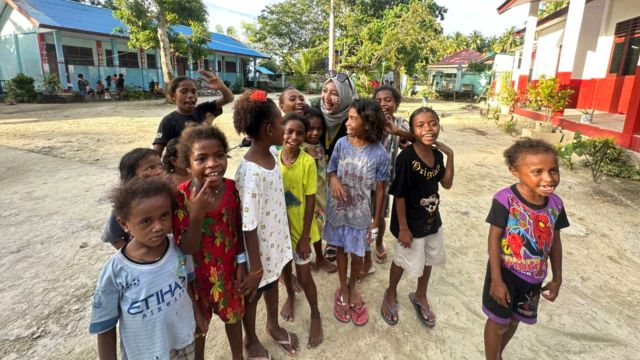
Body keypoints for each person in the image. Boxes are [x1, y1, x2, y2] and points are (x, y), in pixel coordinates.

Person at [89, 177, 197, 359]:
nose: (158, 227)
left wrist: (197, 312)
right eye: (146, 221)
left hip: (184, 341)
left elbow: (185, 284)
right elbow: (105, 326)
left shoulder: (177, 249)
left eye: (164, 215)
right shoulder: (116, 270)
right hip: (146, 352)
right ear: (125, 224)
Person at [483, 138, 568, 360]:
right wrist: (496, 280)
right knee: (498, 321)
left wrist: (557, 277)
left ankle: (499, 353)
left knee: (514, 320)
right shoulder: (505, 199)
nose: (548, 178)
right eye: (537, 171)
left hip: (533, 278)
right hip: (505, 274)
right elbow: (493, 240)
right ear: (515, 171)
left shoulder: (556, 205)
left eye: (553, 170)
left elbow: (555, 241)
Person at [233, 90, 299, 358]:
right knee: (254, 295)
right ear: (269, 128)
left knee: (273, 286)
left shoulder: (271, 152)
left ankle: (273, 325)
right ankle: (250, 341)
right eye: (282, 123)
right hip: (257, 252)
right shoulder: (251, 171)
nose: (285, 128)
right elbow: (247, 225)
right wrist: (255, 267)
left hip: (276, 242)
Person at [172, 125, 246, 360]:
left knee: (234, 319)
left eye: (219, 155)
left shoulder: (232, 189)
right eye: (201, 158)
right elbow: (185, 248)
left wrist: (242, 261)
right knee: (198, 330)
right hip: (196, 281)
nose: (212, 163)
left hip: (228, 273)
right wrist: (196, 215)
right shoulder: (180, 197)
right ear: (187, 164)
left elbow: (239, 229)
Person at [379, 107, 454, 327]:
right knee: (402, 260)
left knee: (429, 258)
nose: (428, 128)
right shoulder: (406, 158)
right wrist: (403, 228)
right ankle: (390, 292)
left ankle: (420, 295)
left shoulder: (438, 155)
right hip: (409, 223)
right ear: (412, 130)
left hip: (431, 220)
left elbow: (446, 184)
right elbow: (399, 195)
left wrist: (451, 156)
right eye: (420, 125)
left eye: (433, 123)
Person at [325, 99, 389, 326]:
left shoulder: (380, 153)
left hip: (361, 214)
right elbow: (331, 169)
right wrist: (333, 179)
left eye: (353, 118)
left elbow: (381, 190)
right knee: (341, 249)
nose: (347, 122)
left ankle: (353, 286)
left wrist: (376, 220)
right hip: (339, 210)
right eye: (348, 117)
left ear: (368, 124)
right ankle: (343, 288)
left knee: (359, 254)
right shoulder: (342, 144)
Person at [277, 112, 324, 348]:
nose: (294, 137)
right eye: (289, 132)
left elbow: (310, 202)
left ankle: (316, 313)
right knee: (286, 270)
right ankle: (290, 296)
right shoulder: (274, 159)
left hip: (301, 230)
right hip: (279, 230)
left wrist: (305, 237)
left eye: (300, 133)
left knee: (305, 277)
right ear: (281, 132)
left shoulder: (307, 163)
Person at [360, 85, 412, 276]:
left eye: (388, 100)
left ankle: (379, 241)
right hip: (364, 180)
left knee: (379, 215)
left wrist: (397, 131)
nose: (383, 104)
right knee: (363, 215)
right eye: (378, 100)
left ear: (396, 104)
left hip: (386, 181)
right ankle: (363, 246)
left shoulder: (400, 123)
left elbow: (415, 138)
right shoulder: (368, 122)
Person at [309, 72, 357, 262]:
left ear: (345, 95)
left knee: (338, 203)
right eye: (324, 91)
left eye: (334, 93)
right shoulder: (313, 108)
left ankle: (333, 241)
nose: (327, 98)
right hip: (318, 168)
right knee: (318, 203)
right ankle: (318, 238)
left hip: (343, 169)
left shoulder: (352, 115)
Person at [153, 70, 234, 156]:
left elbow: (229, 98)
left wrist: (222, 87)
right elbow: (157, 152)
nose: (191, 95)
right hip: (181, 168)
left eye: (194, 91)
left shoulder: (203, 109)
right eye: (184, 92)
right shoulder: (168, 121)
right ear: (173, 96)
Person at [101, 148, 164, 250]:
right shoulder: (125, 205)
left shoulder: (165, 198)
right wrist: (132, 258)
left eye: (160, 166)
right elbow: (113, 237)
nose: (159, 172)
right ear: (131, 177)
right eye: (150, 168)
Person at [302, 107, 337, 273]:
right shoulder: (301, 149)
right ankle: (312, 259)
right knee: (307, 228)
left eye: (319, 128)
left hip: (321, 196)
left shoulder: (321, 145)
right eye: (310, 129)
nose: (315, 133)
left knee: (317, 228)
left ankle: (318, 258)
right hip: (307, 198)